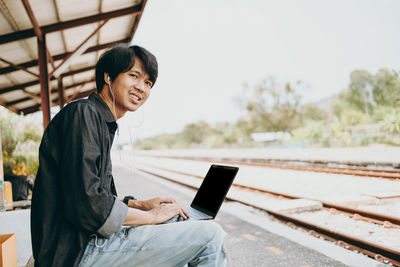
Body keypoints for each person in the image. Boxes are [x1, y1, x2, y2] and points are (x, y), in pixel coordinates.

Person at [30, 44, 227, 267]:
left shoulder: (101, 123)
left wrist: (141, 205)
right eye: (134, 76)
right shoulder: (83, 114)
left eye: (148, 82)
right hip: (76, 252)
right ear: (108, 77)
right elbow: (87, 204)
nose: (141, 87)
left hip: (84, 244)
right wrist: (152, 217)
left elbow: (96, 194)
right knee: (210, 235)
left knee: (177, 219)